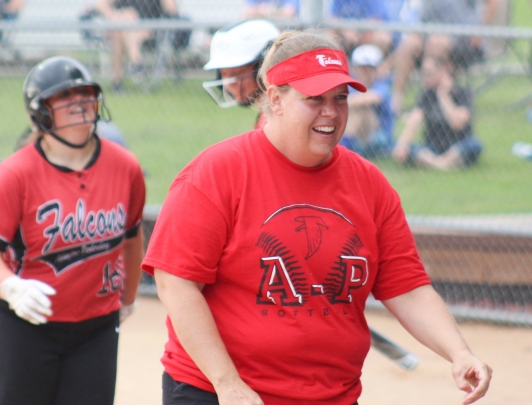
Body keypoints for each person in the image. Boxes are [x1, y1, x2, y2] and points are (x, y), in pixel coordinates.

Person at [142, 30, 491, 405]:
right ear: (275, 99)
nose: (331, 112)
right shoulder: (217, 172)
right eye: (315, 99)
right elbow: (176, 282)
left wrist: (459, 351)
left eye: (340, 98)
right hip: (220, 392)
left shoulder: (368, 183)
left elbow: (405, 286)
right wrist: (227, 383)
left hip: (330, 395)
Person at [0, 56, 146, 405]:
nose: (79, 103)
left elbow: (131, 238)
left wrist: (128, 296)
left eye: (85, 93)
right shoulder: (17, 172)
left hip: (96, 327)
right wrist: (10, 287)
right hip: (26, 322)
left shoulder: (124, 165)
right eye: (64, 97)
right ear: (41, 111)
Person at [391, 0, 508, 114]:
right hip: (429, 30)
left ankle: (426, 104)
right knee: (409, 44)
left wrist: (480, 30)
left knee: (436, 43)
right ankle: (395, 102)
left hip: (463, 38)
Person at [392, 56, 483, 170]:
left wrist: (443, 96)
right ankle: (442, 163)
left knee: (474, 145)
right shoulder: (427, 95)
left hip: (457, 145)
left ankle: (435, 163)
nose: (426, 77)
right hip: (433, 147)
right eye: (423, 73)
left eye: (429, 73)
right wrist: (401, 145)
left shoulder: (461, 92)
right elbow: (414, 121)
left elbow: (457, 123)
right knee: (408, 150)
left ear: (443, 71)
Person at [203, 19, 280, 128]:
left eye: (237, 73)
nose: (228, 84)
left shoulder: (280, 121)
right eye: (223, 74)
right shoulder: (268, 116)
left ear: (265, 68)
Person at [97, 0, 178, 93]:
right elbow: (101, 4)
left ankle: (116, 82)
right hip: (122, 29)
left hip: (149, 32)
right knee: (125, 20)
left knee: (122, 28)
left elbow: (172, 9)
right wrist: (113, 15)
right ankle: (136, 63)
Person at [339, 44, 394, 158]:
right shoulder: (350, 84)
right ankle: (343, 147)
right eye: (362, 68)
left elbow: (375, 97)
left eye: (370, 68)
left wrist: (341, 101)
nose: (366, 72)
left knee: (362, 109)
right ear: (354, 69)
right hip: (356, 136)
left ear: (377, 70)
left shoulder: (381, 83)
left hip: (379, 138)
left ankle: (342, 148)